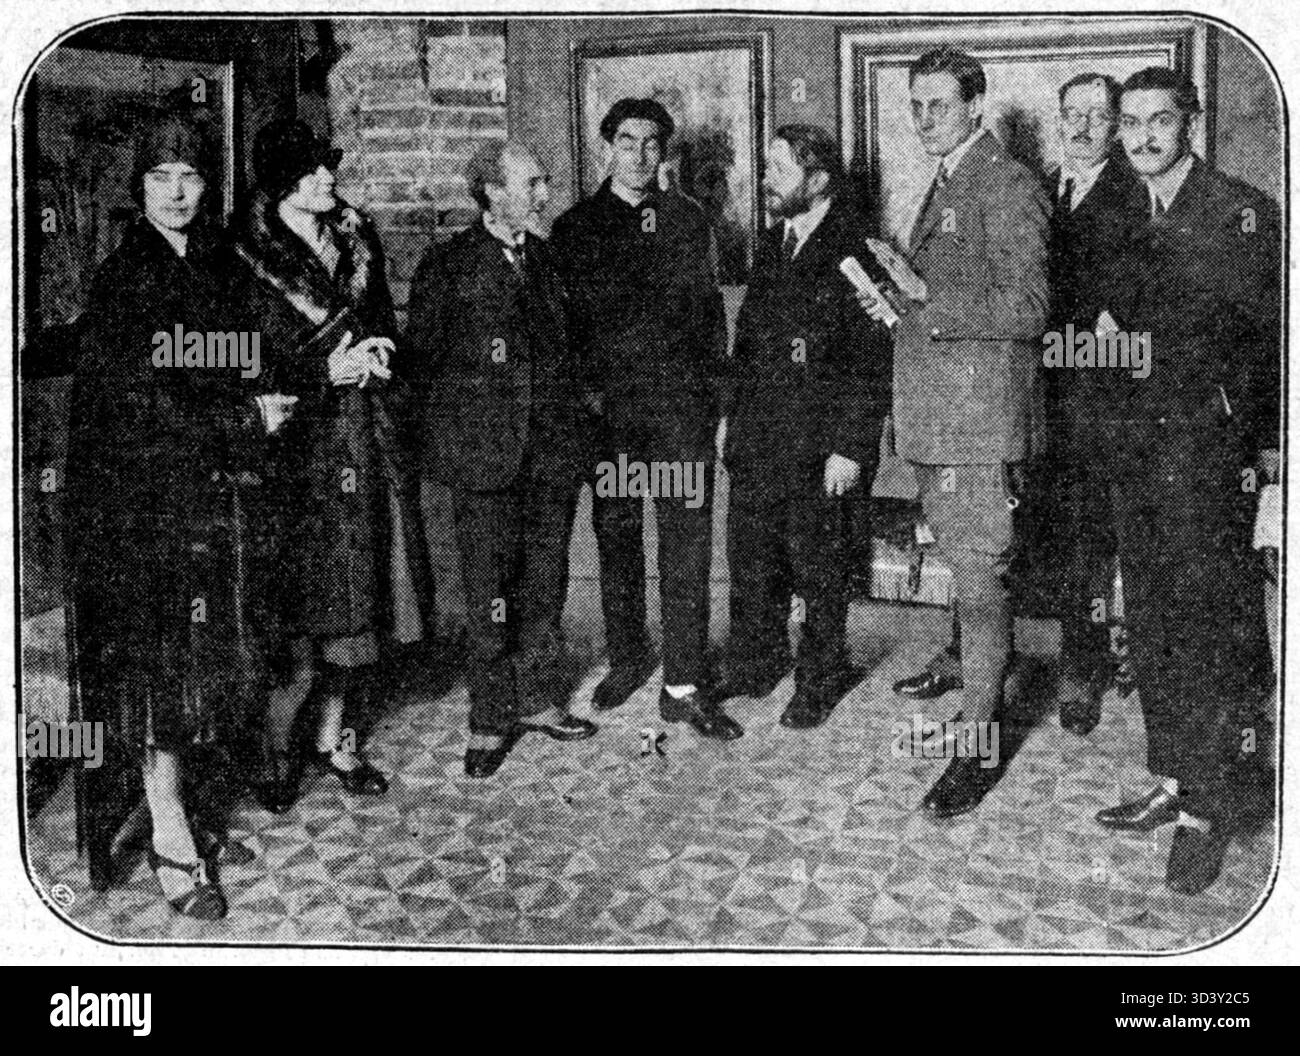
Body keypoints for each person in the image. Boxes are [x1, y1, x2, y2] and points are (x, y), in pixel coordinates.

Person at [66, 111, 288, 919]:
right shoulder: (125, 277)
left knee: (203, 662)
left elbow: (238, 353)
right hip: (141, 508)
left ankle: (184, 807)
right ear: (139, 188)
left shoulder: (216, 265)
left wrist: (268, 388)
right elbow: (141, 402)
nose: (176, 191)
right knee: (161, 672)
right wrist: (244, 419)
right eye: (160, 177)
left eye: (190, 175)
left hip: (209, 498)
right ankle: (168, 831)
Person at [1088, 67, 1279, 895]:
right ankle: (1174, 777)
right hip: (1139, 451)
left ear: (1190, 125)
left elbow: (1274, 337)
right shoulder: (1126, 210)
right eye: (1130, 123)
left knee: (1216, 625)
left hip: (1211, 451)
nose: (1142, 137)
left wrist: (1269, 446)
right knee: (1156, 617)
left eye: (1159, 121)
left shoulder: (1241, 211)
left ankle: (1216, 808)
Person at [862, 48, 1050, 818]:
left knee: (978, 583)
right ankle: (976, 703)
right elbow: (949, 309)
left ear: (977, 105)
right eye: (916, 105)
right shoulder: (946, 180)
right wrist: (900, 308)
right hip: (942, 422)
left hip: (977, 429)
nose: (924, 118)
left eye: (939, 104)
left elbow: (1029, 309)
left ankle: (979, 747)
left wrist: (922, 297)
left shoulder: (1007, 183)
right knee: (969, 585)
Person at [230, 118, 433, 809]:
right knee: (296, 615)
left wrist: (377, 351)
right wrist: (325, 372)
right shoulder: (242, 257)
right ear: (280, 182)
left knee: (357, 605)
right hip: (290, 455)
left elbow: (383, 324)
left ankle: (335, 740)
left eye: (329, 166)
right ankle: (275, 753)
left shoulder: (354, 234)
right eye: (313, 171)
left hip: (362, 441)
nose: (329, 179)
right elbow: (241, 363)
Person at [407, 140, 597, 778]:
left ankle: (540, 699)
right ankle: (490, 719)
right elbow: (424, 367)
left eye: (544, 182)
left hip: (551, 457)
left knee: (544, 584)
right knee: (488, 595)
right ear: (492, 191)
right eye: (533, 184)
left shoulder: (551, 259)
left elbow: (573, 354)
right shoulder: (448, 264)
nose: (545, 194)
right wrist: (452, 448)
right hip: (483, 462)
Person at [550, 98, 738, 740]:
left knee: (686, 543)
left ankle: (683, 683)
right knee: (619, 539)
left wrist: (717, 406)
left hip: (682, 415)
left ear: (665, 151)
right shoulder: (575, 229)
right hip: (613, 421)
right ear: (608, 148)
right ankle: (629, 659)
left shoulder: (688, 222)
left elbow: (710, 321)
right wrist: (585, 403)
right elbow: (564, 333)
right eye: (626, 141)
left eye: (651, 142)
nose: (638, 154)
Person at [715, 124, 892, 729]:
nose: (765, 182)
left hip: (821, 445)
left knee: (822, 566)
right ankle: (756, 662)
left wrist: (851, 447)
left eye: (778, 171)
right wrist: (729, 418)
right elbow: (750, 341)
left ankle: (821, 675)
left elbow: (875, 356)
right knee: (754, 557)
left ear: (817, 181)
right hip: (758, 433)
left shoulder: (858, 248)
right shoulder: (772, 241)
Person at [1040, 72, 1148, 735]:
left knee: (1087, 544)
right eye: (1071, 114)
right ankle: (987, 657)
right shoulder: (1042, 188)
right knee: (1026, 531)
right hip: (1033, 394)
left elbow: (1131, 309)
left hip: (1095, 404)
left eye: (1096, 116)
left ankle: (1083, 670)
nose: (1081, 127)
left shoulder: (1132, 195)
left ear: (1113, 127)